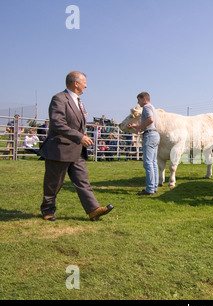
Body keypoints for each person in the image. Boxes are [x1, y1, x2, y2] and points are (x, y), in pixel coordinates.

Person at [39, 71, 114, 222]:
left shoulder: (78, 101)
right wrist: (80, 137)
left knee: (83, 181)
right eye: (84, 82)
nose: (86, 85)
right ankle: (47, 210)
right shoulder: (59, 99)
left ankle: (93, 210)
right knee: (54, 183)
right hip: (59, 149)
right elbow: (57, 123)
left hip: (77, 150)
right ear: (76, 83)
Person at [127, 92, 160, 195]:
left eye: (139, 100)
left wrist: (139, 127)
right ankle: (154, 187)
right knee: (153, 162)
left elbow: (150, 119)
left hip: (149, 135)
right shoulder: (152, 107)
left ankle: (149, 189)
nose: (138, 102)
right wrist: (137, 125)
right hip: (155, 134)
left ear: (144, 99)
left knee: (148, 163)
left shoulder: (146, 107)